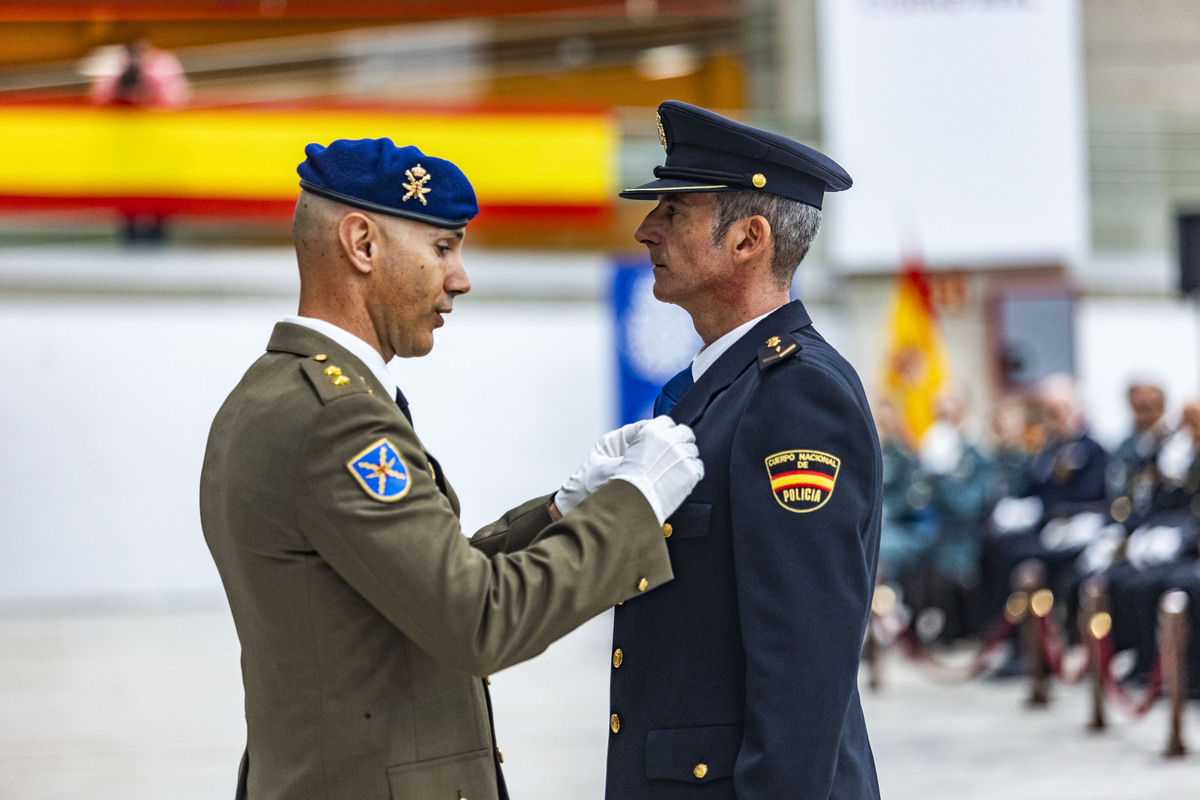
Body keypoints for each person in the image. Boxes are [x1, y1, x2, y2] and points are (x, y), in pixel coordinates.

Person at [199, 137, 705, 800]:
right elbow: (477, 618)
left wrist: (558, 514)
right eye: (443, 247)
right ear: (362, 244)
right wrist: (633, 505)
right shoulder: (337, 421)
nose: (460, 277)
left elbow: (413, 582)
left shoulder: (271, 393)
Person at [607, 100, 881, 799]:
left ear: (748, 238)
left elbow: (803, 671)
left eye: (673, 210)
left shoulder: (795, 398)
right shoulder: (720, 388)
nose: (646, 230)